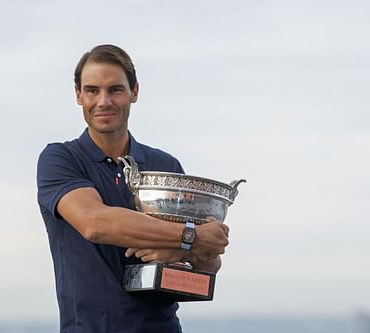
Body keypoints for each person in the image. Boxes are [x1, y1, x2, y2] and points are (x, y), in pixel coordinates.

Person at [36, 44, 230, 333]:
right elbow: (95, 223)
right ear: (78, 95)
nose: (103, 101)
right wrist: (189, 237)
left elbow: (208, 263)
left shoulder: (165, 165)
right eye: (92, 90)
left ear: (134, 92)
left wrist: (183, 251)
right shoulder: (61, 159)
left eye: (115, 90)